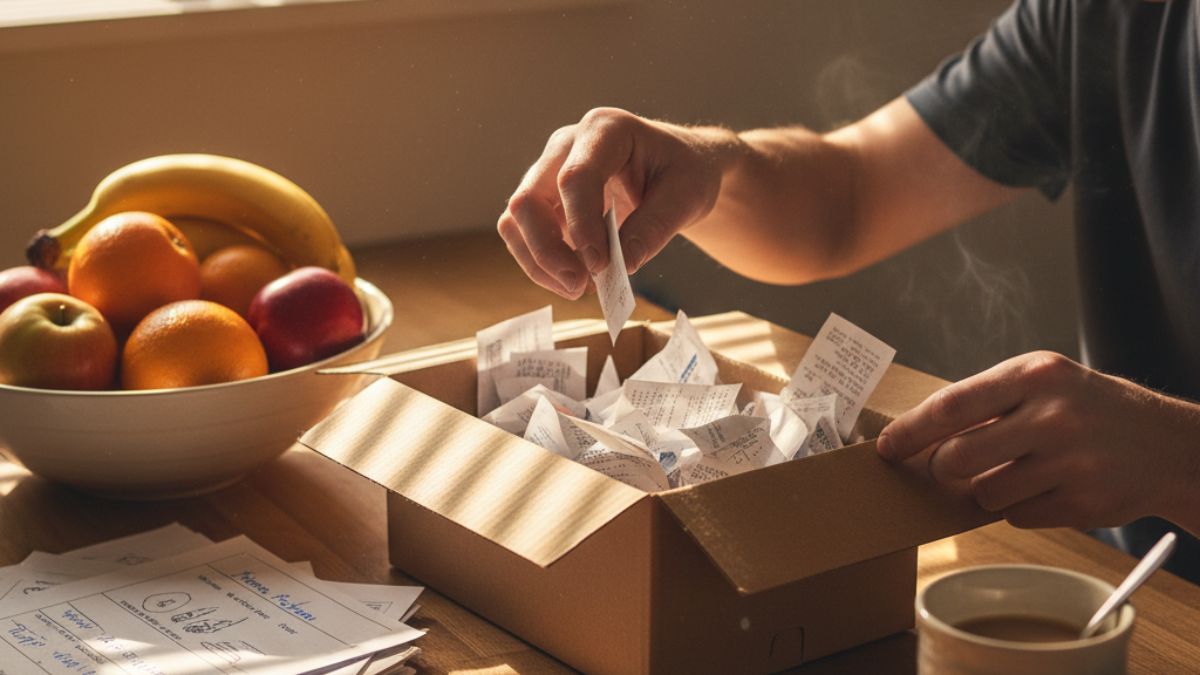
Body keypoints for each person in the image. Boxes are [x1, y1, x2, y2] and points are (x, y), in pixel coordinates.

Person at [495, 0, 1200, 582]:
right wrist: (709, 166)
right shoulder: (1110, 17)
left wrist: (1175, 454)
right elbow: (852, 195)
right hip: (1133, 587)